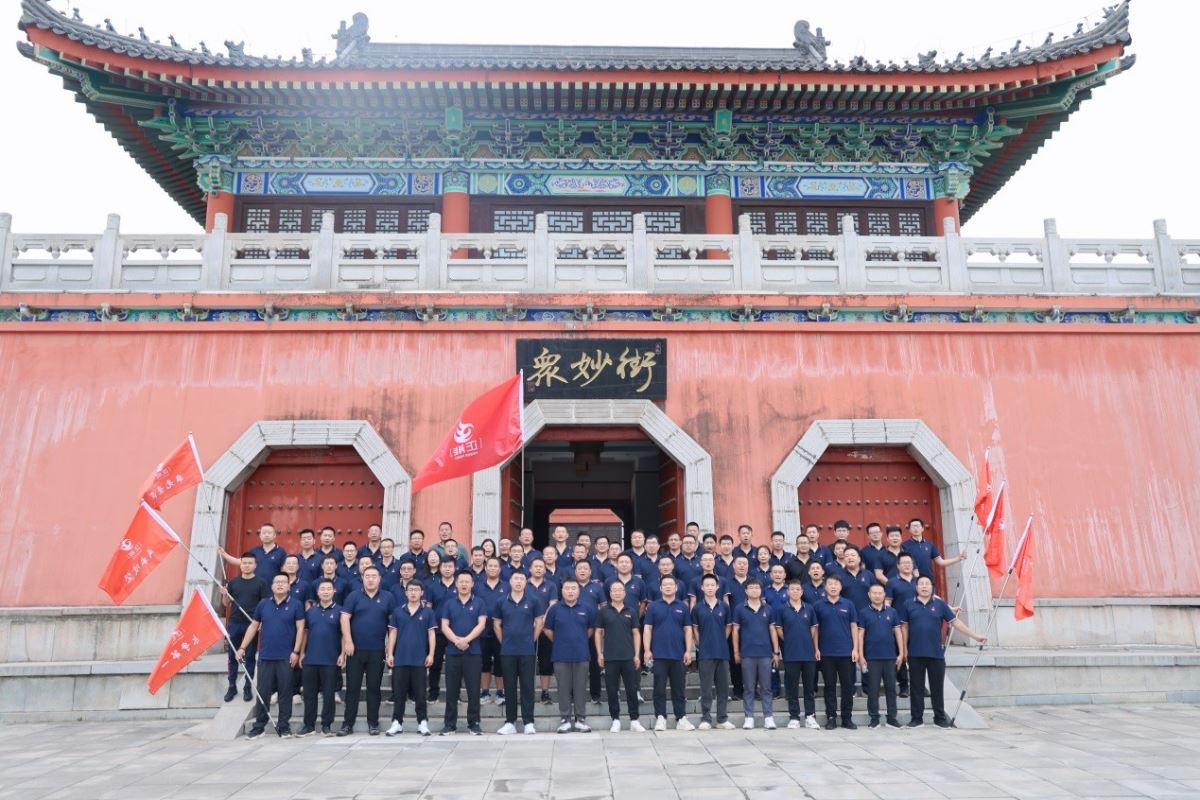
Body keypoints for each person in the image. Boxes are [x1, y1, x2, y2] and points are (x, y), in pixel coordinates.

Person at [900, 575, 988, 728]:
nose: (924, 586)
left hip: (936, 654)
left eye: (927, 584)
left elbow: (956, 623)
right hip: (915, 653)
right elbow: (904, 627)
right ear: (916, 587)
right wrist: (904, 649)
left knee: (937, 688)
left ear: (932, 587)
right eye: (921, 584)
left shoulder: (940, 604)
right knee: (916, 688)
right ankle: (916, 719)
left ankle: (939, 718)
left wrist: (975, 636)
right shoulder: (908, 604)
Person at [236, 573, 304, 738]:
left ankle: (284, 726)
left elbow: (301, 629)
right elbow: (253, 627)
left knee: (285, 693)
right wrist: (242, 647)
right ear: (272, 586)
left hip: (286, 657)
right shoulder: (263, 604)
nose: (280, 584)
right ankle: (259, 727)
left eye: (283, 582)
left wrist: (296, 651)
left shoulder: (296, 605)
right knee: (263, 692)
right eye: (277, 582)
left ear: (289, 586)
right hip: (266, 656)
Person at [338, 566, 394, 736]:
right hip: (355, 650)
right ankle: (347, 724)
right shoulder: (353, 596)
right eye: (367, 576)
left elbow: (392, 625)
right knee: (352, 688)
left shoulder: (388, 597)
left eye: (374, 576)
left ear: (379, 579)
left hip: (377, 650)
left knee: (374, 688)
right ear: (362, 578)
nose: (370, 579)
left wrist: (389, 646)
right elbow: (344, 618)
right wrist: (348, 641)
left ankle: (373, 723)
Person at [493, 571, 546, 735]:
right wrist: (504, 641)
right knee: (509, 686)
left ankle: (528, 722)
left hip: (527, 650)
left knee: (527, 686)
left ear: (525, 582)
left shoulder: (533, 600)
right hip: (507, 650)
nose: (518, 581)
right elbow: (496, 624)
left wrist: (531, 640)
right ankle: (510, 722)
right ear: (510, 581)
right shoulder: (501, 601)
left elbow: (539, 622)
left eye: (522, 579)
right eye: (515, 578)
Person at [643, 575, 696, 731]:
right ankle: (660, 717)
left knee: (678, 689)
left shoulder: (683, 606)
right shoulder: (653, 607)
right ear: (660, 588)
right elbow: (647, 629)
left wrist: (688, 650)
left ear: (676, 587)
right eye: (665, 584)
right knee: (659, 688)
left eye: (671, 584)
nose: (668, 586)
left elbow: (688, 629)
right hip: (659, 655)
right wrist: (647, 650)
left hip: (678, 654)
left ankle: (681, 718)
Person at [439, 571, 488, 736]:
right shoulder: (449, 604)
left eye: (467, 581)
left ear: (472, 584)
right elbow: (444, 626)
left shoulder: (480, 602)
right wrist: (456, 641)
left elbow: (481, 624)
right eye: (461, 581)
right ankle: (449, 724)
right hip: (453, 652)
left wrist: (466, 640)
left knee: (473, 689)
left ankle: (474, 723)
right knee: (451, 690)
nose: (464, 584)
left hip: (473, 652)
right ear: (456, 584)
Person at [544, 578, 596, 733]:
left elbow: (591, 629)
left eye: (574, 588)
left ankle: (580, 719)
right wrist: (559, 640)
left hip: (581, 654)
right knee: (563, 688)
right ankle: (565, 719)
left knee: (580, 688)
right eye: (567, 588)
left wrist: (580, 640)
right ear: (562, 591)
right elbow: (547, 629)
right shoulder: (555, 609)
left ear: (579, 591)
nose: (571, 591)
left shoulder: (587, 608)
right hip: (560, 655)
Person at [385, 580, 435, 737]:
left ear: (422, 592)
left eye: (416, 590)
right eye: (410, 590)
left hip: (419, 659)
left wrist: (431, 654)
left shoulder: (428, 612)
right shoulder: (398, 611)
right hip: (400, 659)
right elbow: (393, 633)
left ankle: (422, 722)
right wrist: (390, 653)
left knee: (420, 694)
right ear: (406, 593)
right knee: (399, 694)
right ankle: (397, 722)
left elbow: (431, 634)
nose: (413, 593)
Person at [595, 580, 645, 732]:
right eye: (614, 590)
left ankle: (634, 719)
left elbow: (636, 633)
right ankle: (615, 719)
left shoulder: (631, 611)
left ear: (624, 593)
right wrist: (599, 653)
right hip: (610, 657)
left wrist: (637, 654)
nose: (617, 592)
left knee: (632, 689)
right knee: (611, 690)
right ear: (610, 593)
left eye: (620, 590)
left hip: (629, 657)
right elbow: (598, 632)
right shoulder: (603, 611)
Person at [297, 578, 344, 736]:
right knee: (309, 695)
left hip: (330, 659)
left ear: (334, 591)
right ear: (317, 592)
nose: (325, 592)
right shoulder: (310, 612)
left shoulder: (340, 611)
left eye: (328, 589)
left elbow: (344, 635)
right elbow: (305, 633)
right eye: (322, 589)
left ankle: (326, 725)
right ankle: (308, 725)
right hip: (311, 659)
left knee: (329, 694)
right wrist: (302, 653)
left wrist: (342, 654)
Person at [771, 579, 820, 729]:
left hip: (808, 654)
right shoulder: (781, 609)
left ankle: (810, 716)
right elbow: (779, 629)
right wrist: (789, 640)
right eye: (792, 589)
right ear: (788, 591)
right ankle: (794, 717)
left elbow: (813, 629)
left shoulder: (809, 608)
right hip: (791, 654)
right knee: (791, 687)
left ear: (802, 591)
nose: (795, 592)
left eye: (798, 589)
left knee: (809, 687)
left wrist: (814, 647)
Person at [813, 573, 859, 730]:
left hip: (846, 652)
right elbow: (816, 629)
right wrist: (816, 648)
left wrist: (856, 648)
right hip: (827, 653)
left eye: (836, 584)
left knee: (847, 686)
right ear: (825, 587)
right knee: (829, 686)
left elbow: (854, 626)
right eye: (830, 584)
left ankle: (847, 718)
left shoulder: (848, 604)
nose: (833, 587)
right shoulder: (818, 605)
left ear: (841, 587)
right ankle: (831, 717)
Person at [222, 552, 270, 703]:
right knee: (232, 656)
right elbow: (226, 604)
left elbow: (265, 605)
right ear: (240, 565)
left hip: (252, 624)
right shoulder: (233, 583)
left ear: (255, 565)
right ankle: (232, 686)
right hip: (235, 623)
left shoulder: (261, 583)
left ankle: (248, 686)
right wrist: (224, 594)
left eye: (250, 563)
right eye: (244, 563)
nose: (247, 565)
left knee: (249, 656)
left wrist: (261, 622)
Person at [856, 583, 904, 729]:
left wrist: (901, 653)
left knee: (891, 688)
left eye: (880, 593)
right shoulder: (863, 612)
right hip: (871, 657)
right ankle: (874, 718)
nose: (877, 596)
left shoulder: (892, 612)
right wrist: (861, 655)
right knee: (873, 689)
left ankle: (891, 718)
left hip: (890, 656)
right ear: (869, 595)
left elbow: (898, 633)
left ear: (884, 595)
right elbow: (860, 635)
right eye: (874, 593)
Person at [690, 573, 735, 730]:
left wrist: (721, 639)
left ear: (717, 587)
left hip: (722, 652)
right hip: (705, 653)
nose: (710, 587)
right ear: (702, 588)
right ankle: (706, 718)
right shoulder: (697, 608)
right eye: (707, 585)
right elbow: (695, 629)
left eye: (712, 585)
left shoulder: (725, 607)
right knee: (706, 688)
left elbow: (728, 626)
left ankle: (722, 719)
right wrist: (700, 643)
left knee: (723, 688)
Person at [733, 578, 776, 730]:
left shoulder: (768, 609)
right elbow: (735, 631)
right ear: (746, 591)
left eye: (757, 587)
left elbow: (772, 630)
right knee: (749, 687)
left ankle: (768, 717)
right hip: (747, 654)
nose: (754, 590)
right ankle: (749, 717)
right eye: (751, 588)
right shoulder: (739, 608)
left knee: (766, 687)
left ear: (761, 590)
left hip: (765, 653)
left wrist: (776, 651)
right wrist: (736, 651)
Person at [423, 557, 459, 702]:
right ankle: (433, 693)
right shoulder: (432, 587)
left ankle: (455, 694)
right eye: (444, 566)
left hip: (456, 632)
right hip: (437, 632)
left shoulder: (460, 585)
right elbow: (428, 608)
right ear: (440, 568)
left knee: (455, 665)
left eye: (450, 566)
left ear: (455, 568)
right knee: (435, 664)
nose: (447, 569)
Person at [476, 556, 508, 706]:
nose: (493, 568)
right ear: (485, 568)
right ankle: (485, 692)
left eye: (496, 566)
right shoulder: (477, 586)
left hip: (502, 631)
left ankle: (500, 692)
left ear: (500, 569)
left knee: (501, 664)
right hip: (482, 632)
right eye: (490, 566)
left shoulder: (507, 587)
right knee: (484, 664)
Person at [527, 557, 560, 704]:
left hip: (546, 628)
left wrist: (542, 620)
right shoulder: (524, 584)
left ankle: (545, 692)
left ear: (545, 569)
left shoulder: (551, 585)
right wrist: (533, 621)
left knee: (545, 662)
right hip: (528, 628)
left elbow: (553, 605)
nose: (539, 569)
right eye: (536, 566)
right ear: (530, 569)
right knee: (527, 662)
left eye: (541, 566)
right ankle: (527, 692)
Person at [902, 518, 966, 592]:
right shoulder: (904, 545)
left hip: (929, 582)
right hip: (912, 582)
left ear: (922, 529)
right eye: (913, 526)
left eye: (918, 526)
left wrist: (958, 558)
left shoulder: (929, 544)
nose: (916, 528)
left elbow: (941, 562)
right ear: (909, 530)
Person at [219, 523, 285, 582]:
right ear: (260, 535)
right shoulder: (254, 551)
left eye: (269, 533)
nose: (266, 535)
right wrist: (224, 554)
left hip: (274, 589)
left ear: (274, 535)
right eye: (264, 533)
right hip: (255, 587)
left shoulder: (281, 552)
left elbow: (285, 571)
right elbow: (239, 562)